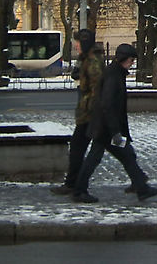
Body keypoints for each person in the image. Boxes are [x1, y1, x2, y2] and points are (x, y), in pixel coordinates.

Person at [71, 43, 157, 203]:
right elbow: (108, 104)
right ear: (124, 59)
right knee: (97, 158)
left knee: (126, 155)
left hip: (105, 126)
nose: (132, 63)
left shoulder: (114, 73)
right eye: (131, 60)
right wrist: (115, 131)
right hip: (106, 128)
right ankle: (79, 191)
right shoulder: (113, 75)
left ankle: (140, 187)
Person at [50, 29, 104, 196]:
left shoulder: (93, 61)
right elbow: (77, 76)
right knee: (80, 148)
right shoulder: (85, 59)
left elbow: (97, 89)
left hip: (90, 114)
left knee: (82, 149)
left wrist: (92, 111)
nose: (76, 46)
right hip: (87, 113)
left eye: (78, 43)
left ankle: (75, 185)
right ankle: (73, 184)